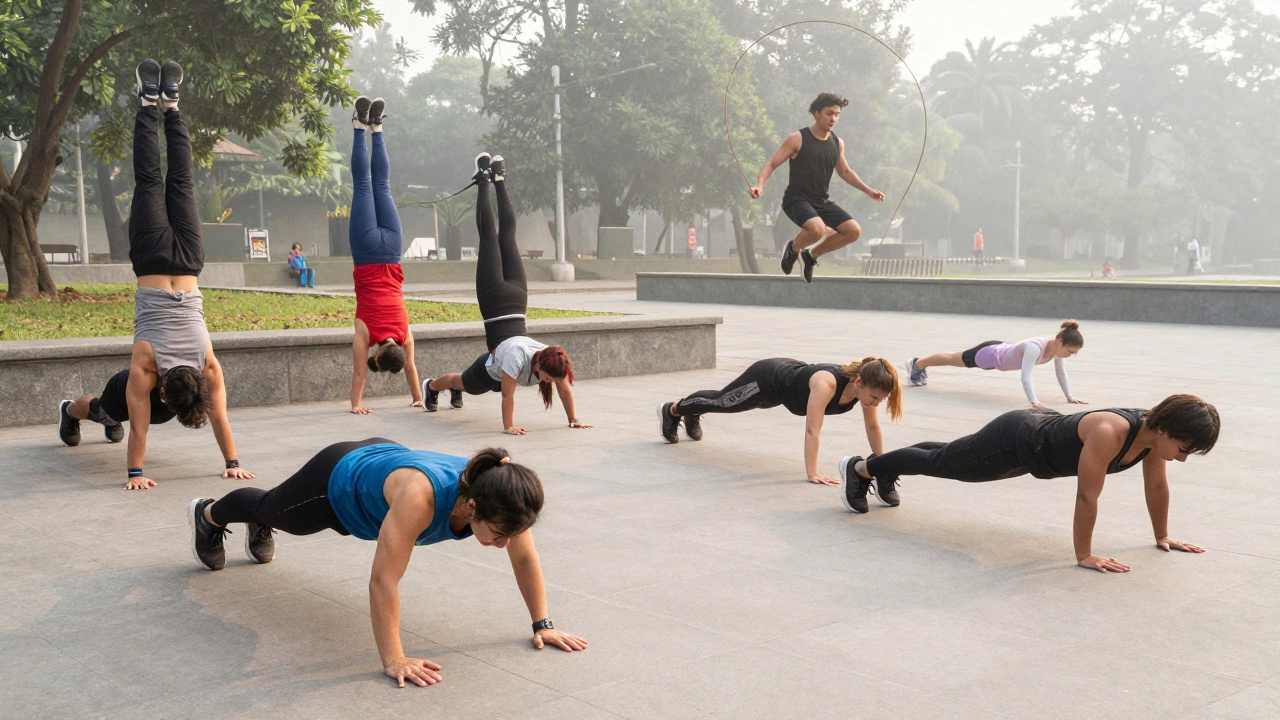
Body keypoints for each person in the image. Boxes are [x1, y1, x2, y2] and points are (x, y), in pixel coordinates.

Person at [186, 441, 587, 686]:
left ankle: (258, 524)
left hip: (382, 458)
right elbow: (383, 580)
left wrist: (543, 624)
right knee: (272, 509)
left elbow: (525, 558)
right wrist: (394, 658)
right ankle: (207, 514)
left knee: (274, 514)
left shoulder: (504, 498)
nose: (503, 544)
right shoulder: (421, 499)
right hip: (335, 483)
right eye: (499, 535)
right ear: (470, 506)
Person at [838, 394, 1219, 573]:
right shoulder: (1112, 431)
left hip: (1035, 445)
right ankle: (861, 469)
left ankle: (881, 468)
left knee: (949, 456)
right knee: (948, 463)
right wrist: (1084, 555)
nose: (1182, 458)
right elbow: (1087, 496)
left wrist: (1163, 536)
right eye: (1184, 449)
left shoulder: (1154, 439)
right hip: (1018, 439)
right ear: (1168, 428)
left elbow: (1156, 488)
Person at [114, 59, 253, 490]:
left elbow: (221, 417)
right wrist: (135, 473)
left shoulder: (208, 365)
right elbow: (139, 429)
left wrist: (233, 460)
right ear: (162, 392)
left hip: (191, 263)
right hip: (155, 261)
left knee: (180, 182)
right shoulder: (145, 368)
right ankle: (152, 102)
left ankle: (170, 107)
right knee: (151, 180)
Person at [422, 155, 591, 435]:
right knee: (460, 381)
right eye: (548, 378)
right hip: (495, 314)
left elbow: (564, 389)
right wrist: (509, 426)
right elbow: (506, 396)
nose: (549, 382)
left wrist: (573, 419)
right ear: (539, 363)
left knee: (507, 236)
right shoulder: (516, 359)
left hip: (517, 299)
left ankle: (499, 177)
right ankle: (431, 386)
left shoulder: (554, 360)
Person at [659, 357, 903, 494]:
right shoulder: (827, 384)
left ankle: (693, 410)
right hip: (767, 379)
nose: (876, 403)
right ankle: (673, 410)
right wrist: (813, 473)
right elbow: (812, 429)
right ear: (859, 382)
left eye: (880, 399)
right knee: (724, 402)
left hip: (783, 391)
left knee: (725, 403)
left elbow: (872, 428)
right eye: (874, 397)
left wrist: (880, 464)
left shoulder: (863, 390)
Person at [749, 92, 885, 283]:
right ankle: (793, 249)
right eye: (829, 113)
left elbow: (845, 172)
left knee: (853, 231)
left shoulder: (837, 143)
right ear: (816, 114)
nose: (834, 118)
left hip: (820, 201)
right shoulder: (797, 138)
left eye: (837, 114)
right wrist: (759, 186)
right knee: (817, 229)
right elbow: (771, 163)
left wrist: (868, 190)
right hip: (796, 200)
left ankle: (810, 256)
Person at [347, 95, 424, 414]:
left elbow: (411, 369)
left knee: (382, 186)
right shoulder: (366, 333)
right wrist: (356, 405)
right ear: (378, 355)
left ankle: (376, 127)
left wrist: (419, 396)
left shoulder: (406, 335)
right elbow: (358, 373)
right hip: (365, 252)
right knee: (364, 186)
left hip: (392, 250)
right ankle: (358, 125)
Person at [905, 320, 1088, 410]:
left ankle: (918, 364)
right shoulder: (1035, 348)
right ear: (1060, 341)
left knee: (953, 358)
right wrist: (1034, 401)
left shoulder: (1055, 351)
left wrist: (1069, 396)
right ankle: (916, 363)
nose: (1069, 356)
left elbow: (1061, 373)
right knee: (952, 359)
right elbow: (1025, 375)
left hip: (998, 353)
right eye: (1070, 352)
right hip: (989, 355)